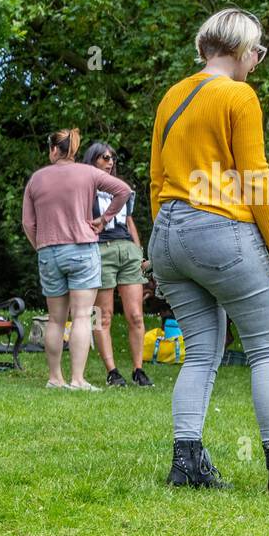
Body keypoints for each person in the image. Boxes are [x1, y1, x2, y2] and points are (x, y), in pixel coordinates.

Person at [148, 8, 269, 492]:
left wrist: (160, 241)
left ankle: (186, 464)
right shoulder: (239, 96)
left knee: (200, 352)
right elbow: (256, 179)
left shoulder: (172, 96)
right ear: (244, 51)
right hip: (220, 229)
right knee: (267, 347)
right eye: (258, 52)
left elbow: (156, 180)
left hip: (168, 232)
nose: (257, 62)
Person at [22, 128, 133, 391]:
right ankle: (78, 379)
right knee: (82, 316)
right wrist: (104, 220)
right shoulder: (89, 173)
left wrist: (40, 245)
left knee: (56, 318)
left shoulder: (36, 179)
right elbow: (124, 191)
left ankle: (54, 378)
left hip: (49, 251)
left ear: (53, 150)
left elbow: (27, 222)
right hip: (82, 248)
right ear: (72, 150)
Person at [82, 142, 153, 387]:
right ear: (92, 160)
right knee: (103, 316)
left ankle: (138, 369)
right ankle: (112, 371)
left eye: (112, 157)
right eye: (104, 157)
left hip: (127, 251)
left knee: (135, 314)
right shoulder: (84, 189)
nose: (110, 161)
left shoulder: (122, 189)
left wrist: (138, 251)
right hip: (100, 250)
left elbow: (130, 221)